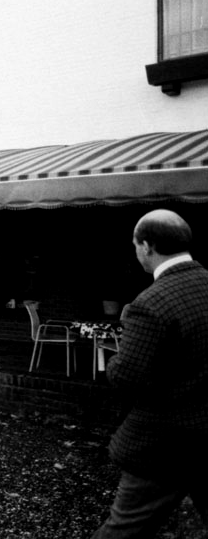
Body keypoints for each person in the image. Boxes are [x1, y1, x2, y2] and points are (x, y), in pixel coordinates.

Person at [91, 209, 208, 538]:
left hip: (166, 446)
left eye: (135, 245)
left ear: (147, 246)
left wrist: (112, 361)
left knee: (123, 529)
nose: (136, 252)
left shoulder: (151, 303)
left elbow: (126, 377)